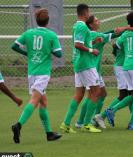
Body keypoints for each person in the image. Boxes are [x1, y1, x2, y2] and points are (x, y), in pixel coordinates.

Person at [11, 8, 62, 143]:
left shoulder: (28, 33)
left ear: (36, 20)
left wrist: (27, 53)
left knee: (43, 102)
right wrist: (49, 49)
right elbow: (59, 54)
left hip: (32, 73)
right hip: (43, 74)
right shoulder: (51, 35)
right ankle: (18, 125)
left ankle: (49, 133)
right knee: (34, 101)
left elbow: (14, 46)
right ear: (48, 21)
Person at [60, 4, 102, 133]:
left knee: (79, 94)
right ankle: (87, 124)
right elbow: (77, 44)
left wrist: (93, 43)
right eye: (89, 11)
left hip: (79, 63)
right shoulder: (81, 26)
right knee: (96, 92)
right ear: (86, 12)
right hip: (86, 64)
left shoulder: (77, 25)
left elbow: (81, 43)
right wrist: (91, 50)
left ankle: (66, 123)